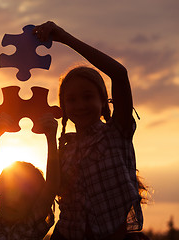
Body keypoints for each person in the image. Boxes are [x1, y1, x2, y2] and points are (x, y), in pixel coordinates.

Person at [33, 21, 145, 240]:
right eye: (72, 100)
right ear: (64, 108)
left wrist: (65, 38)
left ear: (104, 102)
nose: (81, 105)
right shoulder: (64, 149)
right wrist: (49, 138)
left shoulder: (116, 133)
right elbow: (51, 190)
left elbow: (119, 74)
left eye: (88, 97)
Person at [0, 113, 59, 240]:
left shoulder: (31, 226)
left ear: (36, 201)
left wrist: (51, 138)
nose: (15, 200)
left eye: (25, 197)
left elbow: (51, 187)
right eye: (9, 191)